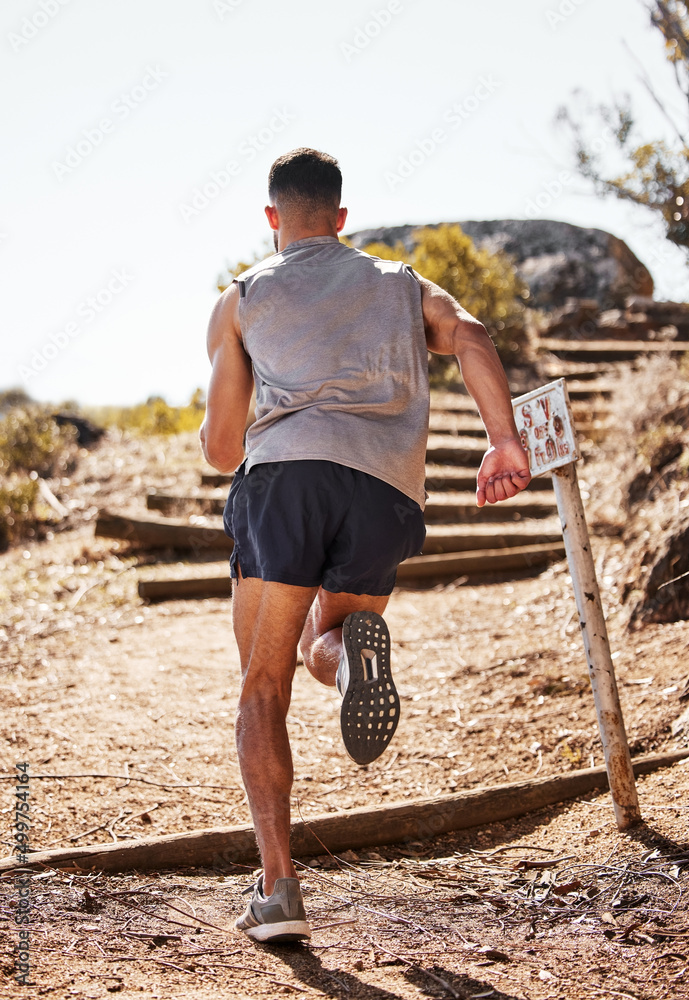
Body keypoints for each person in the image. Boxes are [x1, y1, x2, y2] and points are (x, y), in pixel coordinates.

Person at [199, 147, 531, 943]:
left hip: (286, 485)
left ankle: (279, 892)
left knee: (261, 688)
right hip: (384, 492)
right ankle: (350, 659)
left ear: (272, 218)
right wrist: (503, 442)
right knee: (333, 636)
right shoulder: (403, 283)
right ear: (342, 219)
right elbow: (474, 335)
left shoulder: (241, 297)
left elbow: (218, 448)